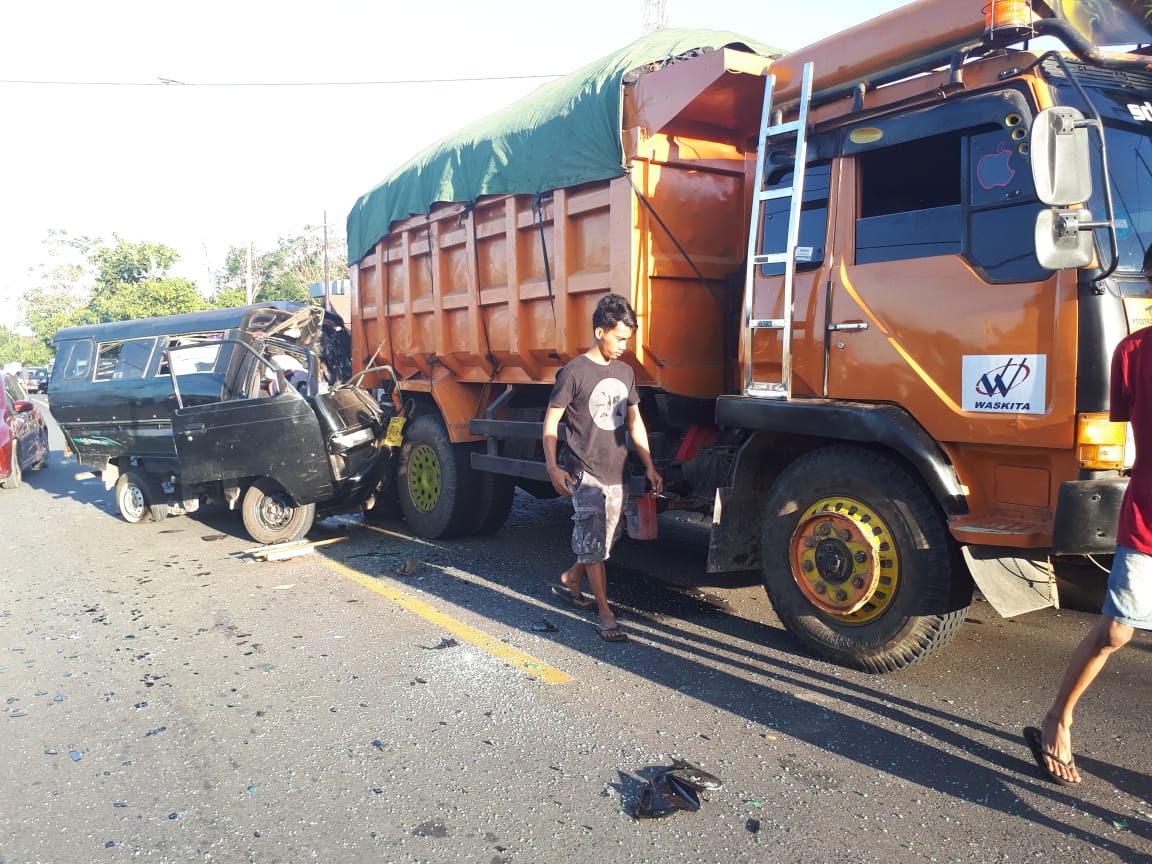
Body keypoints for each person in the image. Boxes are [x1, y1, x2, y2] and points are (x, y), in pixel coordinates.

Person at [1024, 250, 1152, 785]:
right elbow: (1122, 434)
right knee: (1117, 632)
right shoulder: (1134, 351)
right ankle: (1057, 718)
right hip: (1147, 518)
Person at [543, 293, 663, 643]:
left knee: (608, 539)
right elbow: (551, 424)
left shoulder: (626, 373)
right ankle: (605, 612)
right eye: (620, 338)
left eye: (629, 338)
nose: (625, 346)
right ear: (600, 331)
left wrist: (650, 466)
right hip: (586, 471)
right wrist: (553, 467)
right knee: (595, 539)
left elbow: (635, 422)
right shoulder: (574, 372)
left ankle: (570, 578)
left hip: (618, 469)